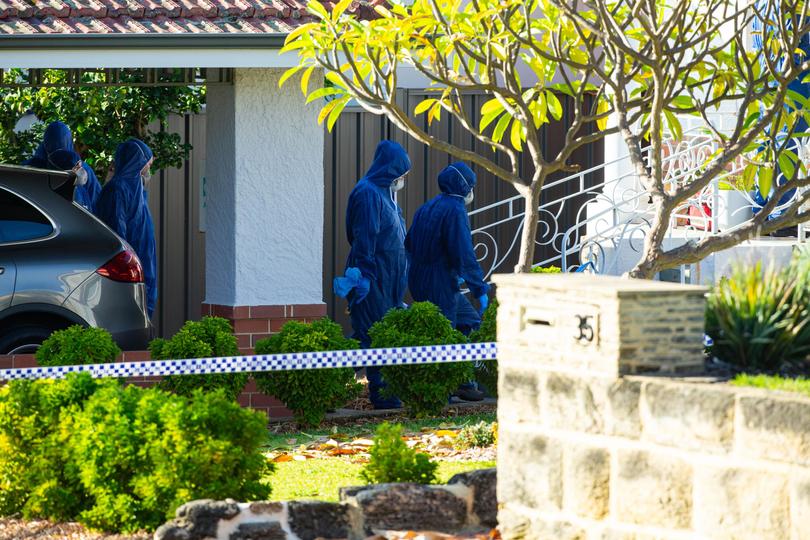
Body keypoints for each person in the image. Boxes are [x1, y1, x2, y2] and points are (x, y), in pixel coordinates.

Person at [334, 140, 411, 409]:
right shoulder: (368, 193)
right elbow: (365, 236)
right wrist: (365, 274)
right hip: (372, 277)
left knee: (376, 333)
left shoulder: (385, 194)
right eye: (400, 173)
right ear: (390, 169)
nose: (402, 179)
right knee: (371, 335)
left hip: (387, 280)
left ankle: (377, 389)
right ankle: (381, 393)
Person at [405, 162, 489, 401]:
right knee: (442, 334)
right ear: (465, 187)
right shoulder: (455, 209)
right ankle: (440, 390)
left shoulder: (427, 207)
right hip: (439, 282)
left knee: (467, 322)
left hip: (420, 277)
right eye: (471, 186)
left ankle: (461, 380)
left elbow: (409, 243)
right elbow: (464, 253)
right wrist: (479, 288)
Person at [96, 139, 158, 319]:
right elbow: (117, 232)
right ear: (137, 161)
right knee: (130, 316)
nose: (148, 168)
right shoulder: (117, 189)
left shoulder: (136, 188)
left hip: (143, 263)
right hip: (130, 267)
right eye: (147, 163)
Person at [24, 121, 102, 213]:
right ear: (69, 140)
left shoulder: (31, 168)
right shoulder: (82, 169)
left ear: (45, 143)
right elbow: (97, 204)